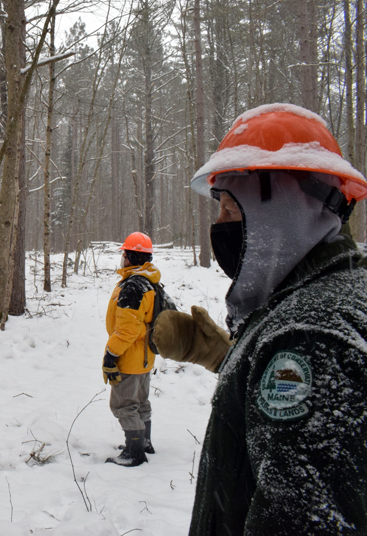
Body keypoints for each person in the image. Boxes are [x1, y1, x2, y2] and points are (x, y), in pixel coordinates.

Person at [153, 103, 367, 535]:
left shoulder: (312, 339)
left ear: (285, 212)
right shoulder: (326, 296)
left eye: (232, 211)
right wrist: (228, 358)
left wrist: (275, 355)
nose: (220, 227)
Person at [103, 231, 161, 467]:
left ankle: (135, 452)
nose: (122, 258)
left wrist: (111, 355)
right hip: (145, 357)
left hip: (129, 356)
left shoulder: (133, 288)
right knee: (140, 401)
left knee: (123, 405)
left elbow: (127, 330)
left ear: (131, 257)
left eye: (125, 254)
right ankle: (143, 441)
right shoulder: (149, 282)